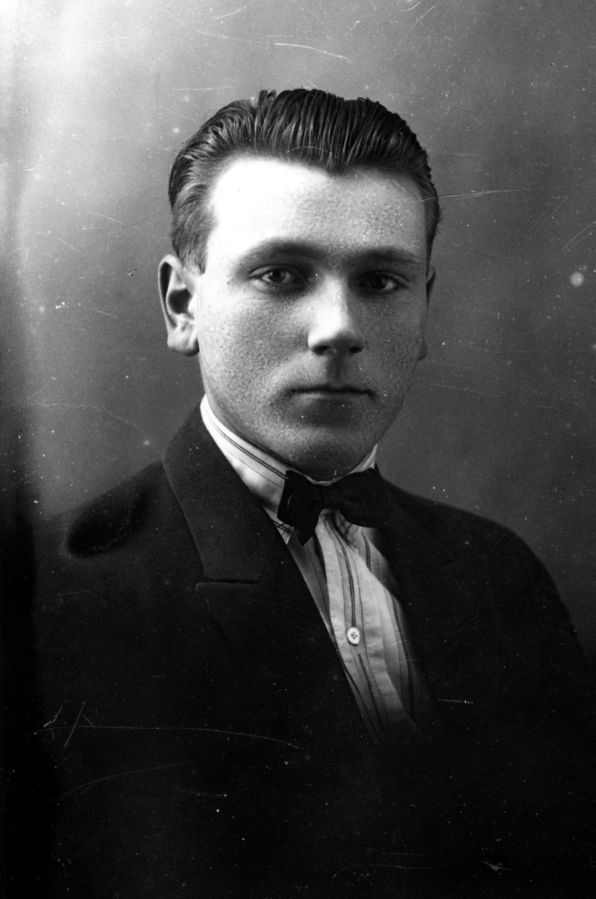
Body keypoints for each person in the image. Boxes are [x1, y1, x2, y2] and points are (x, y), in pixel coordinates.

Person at [9, 89, 596, 897]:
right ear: (183, 306)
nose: (338, 327)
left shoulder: (502, 577)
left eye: (380, 281)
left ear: (425, 310)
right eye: (281, 275)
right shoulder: (49, 599)